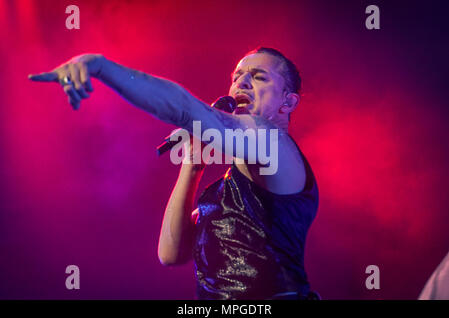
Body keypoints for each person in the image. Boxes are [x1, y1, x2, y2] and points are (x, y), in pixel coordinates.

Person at [29, 47, 319, 300]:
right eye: (237, 76)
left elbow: (183, 108)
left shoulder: (273, 142)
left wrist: (100, 66)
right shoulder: (226, 187)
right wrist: (192, 166)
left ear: (289, 101)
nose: (241, 83)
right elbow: (171, 253)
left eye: (258, 77)